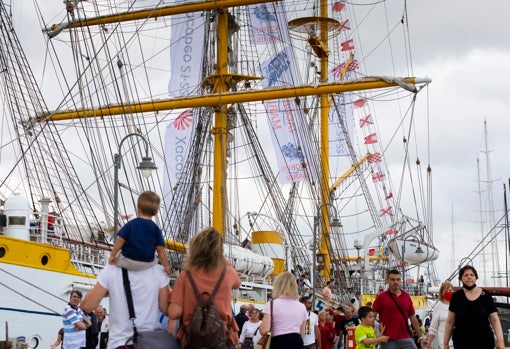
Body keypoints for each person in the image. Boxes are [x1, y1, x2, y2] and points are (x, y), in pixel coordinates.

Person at [167, 226, 242, 348]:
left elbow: (174, 313)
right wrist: (221, 257)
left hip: (193, 341)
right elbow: (238, 282)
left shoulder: (185, 276)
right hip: (222, 339)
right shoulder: (228, 274)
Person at [80, 254, 170, 349]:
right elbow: (167, 309)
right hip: (150, 341)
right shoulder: (158, 271)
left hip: (121, 342)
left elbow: (86, 306)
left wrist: (109, 289)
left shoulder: (113, 269)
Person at [108, 191, 171, 275]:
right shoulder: (156, 229)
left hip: (127, 261)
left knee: (118, 258)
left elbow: (120, 240)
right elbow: (160, 249)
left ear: (138, 209)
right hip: (147, 264)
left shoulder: (130, 224)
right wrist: (166, 266)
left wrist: (113, 255)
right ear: (156, 213)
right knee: (155, 262)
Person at [443, 265, 505, 349]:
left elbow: (494, 319)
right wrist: (445, 344)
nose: (469, 277)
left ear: (476, 278)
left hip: (484, 342)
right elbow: (450, 321)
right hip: (461, 342)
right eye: (466, 275)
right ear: (461, 278)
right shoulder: (456, 297)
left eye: (471, 275)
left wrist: (500, 341)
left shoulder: (485, 295)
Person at [372, 269, 422, 349]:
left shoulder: (406, 296)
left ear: (401, 280)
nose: (396, 282)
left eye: (398, 279)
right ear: (388, 281)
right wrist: (374, 334)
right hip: (388, 339)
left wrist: (420, 337)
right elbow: (372, 316)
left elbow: (413, 317)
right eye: (392, 279)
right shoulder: (381, 297)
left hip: (406, 337)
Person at [259, 271, 308, 348]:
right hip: (297, 342)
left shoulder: (272, 305)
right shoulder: (302, 307)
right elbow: (302, 333)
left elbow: (264, 330)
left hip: (278, 343)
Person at [426, 281, 452, 349]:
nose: (448, 292)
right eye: (446, 290)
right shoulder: (438, 307)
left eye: (450, 290)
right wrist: (429, 342)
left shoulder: (458, 305)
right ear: (442, 293)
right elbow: (433, 327)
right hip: (443, 344)